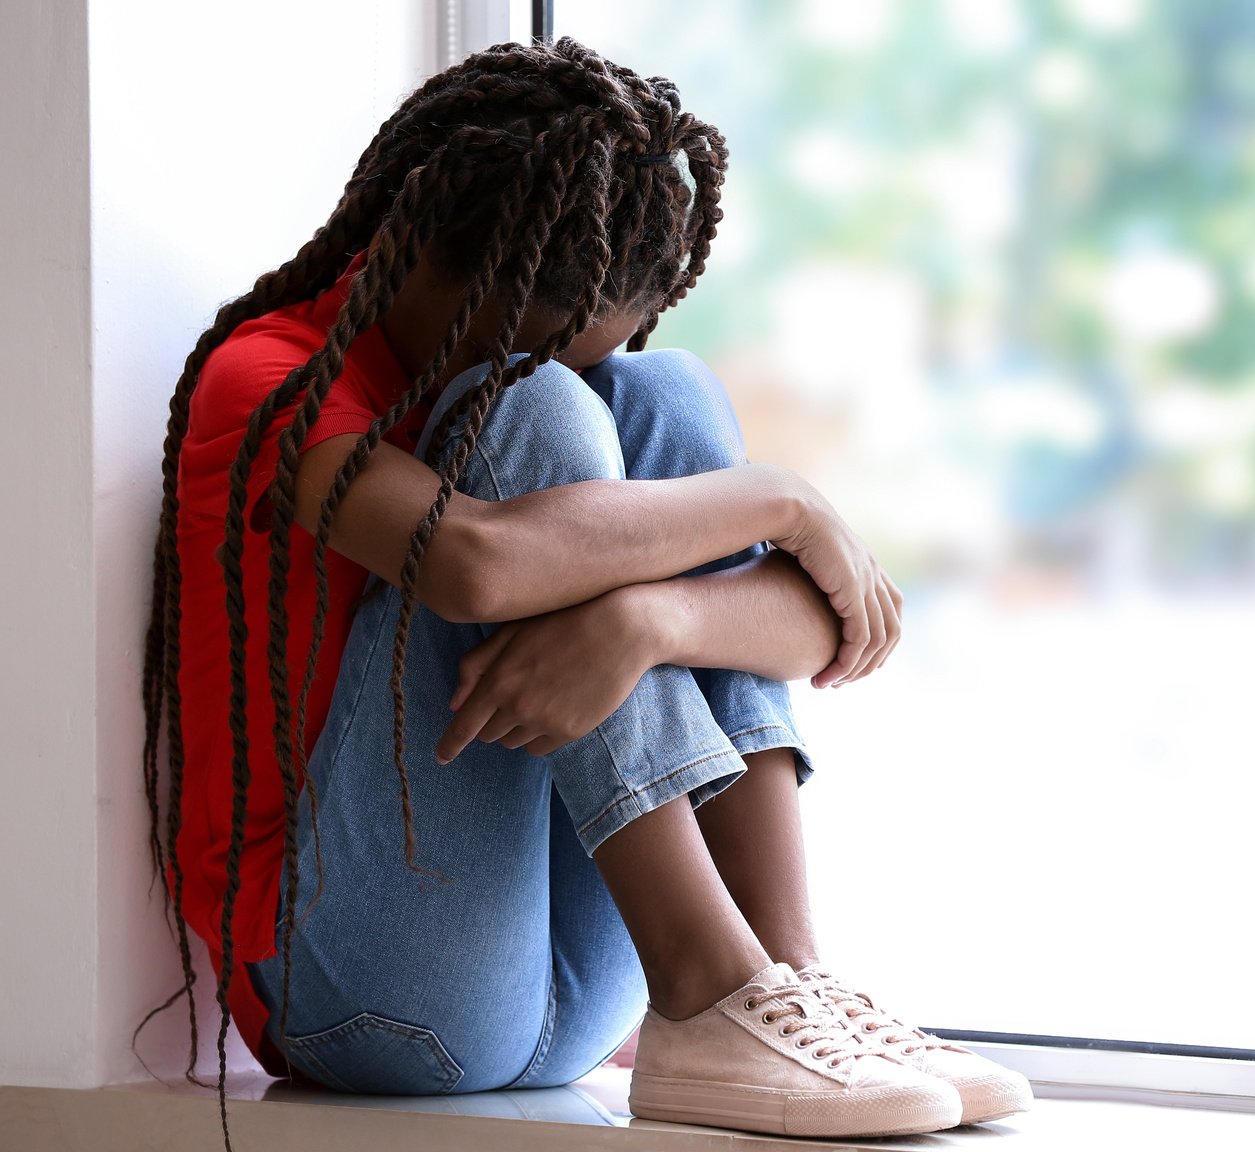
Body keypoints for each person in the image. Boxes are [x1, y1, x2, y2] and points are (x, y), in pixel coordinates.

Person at [138, 37, 1030, 1146]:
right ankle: (712, 986)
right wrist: (780, 501)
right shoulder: (268, 375)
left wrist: (645, 618)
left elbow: (808, 632)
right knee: (538, 422)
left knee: (664, 395)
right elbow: (480, 563)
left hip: (579, 993)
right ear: (421, 260)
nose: (572, 366)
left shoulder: (604, 389)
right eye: (536, 341)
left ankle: (779, 983)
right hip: (357, 994)